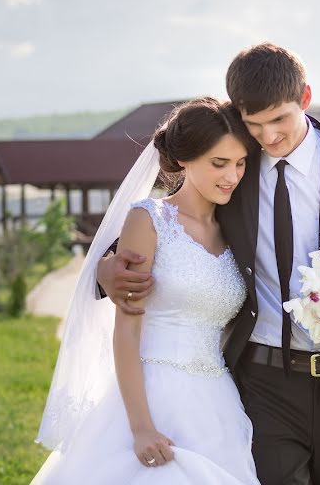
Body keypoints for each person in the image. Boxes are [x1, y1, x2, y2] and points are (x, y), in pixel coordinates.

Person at [99, 43, 320, 484]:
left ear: (305, 97)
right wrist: (105, 269)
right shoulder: (234, 165)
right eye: (254, 124)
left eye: (279, 119)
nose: (269, 137)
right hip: (262, 379)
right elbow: (161, 227)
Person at [32, 98, 261, 484]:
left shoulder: (234, 230)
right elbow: (127, 329)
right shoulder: (149, 219)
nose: (232, 176)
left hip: (217, 401)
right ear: (185, 159)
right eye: (218, 163)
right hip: (152, 394)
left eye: (239, 163)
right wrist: (140, 427)